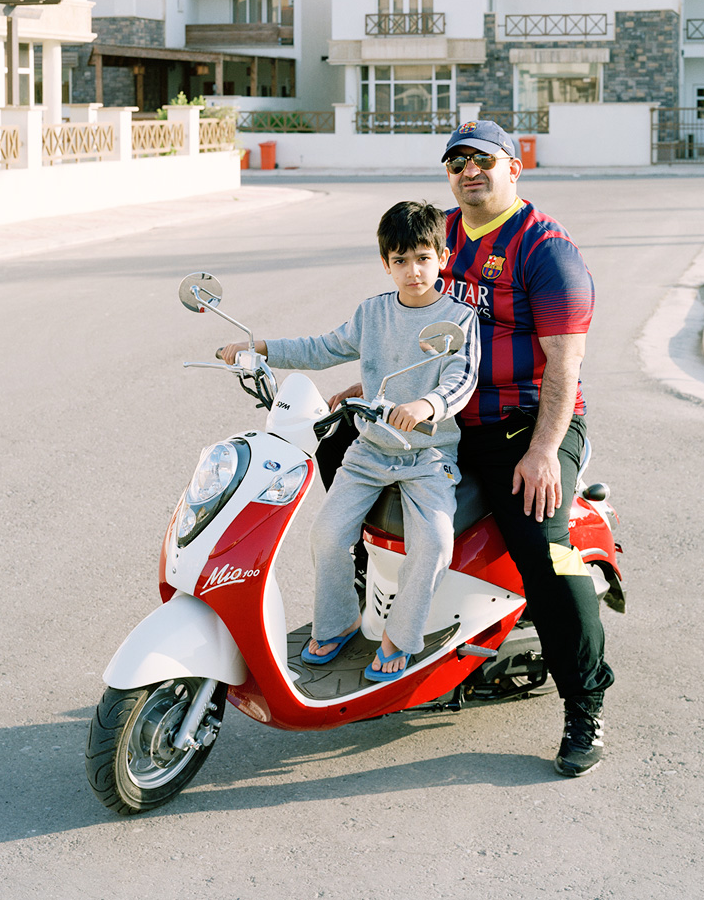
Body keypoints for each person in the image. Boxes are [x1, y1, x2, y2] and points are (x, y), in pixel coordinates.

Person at [218, 200, 479, 681]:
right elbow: (324, 347)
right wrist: (261, 349)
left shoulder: (459, 318)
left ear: (442, 257)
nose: (413, 270)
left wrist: (427, 407)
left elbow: (461, 379)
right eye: (400, 260)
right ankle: (339, 622)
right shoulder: (373, 313)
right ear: (386, 264)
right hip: (370, 451)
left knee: (435, 543)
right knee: (327, 535)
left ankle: (401, 636)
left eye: (423, 258)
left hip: (428, 455)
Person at [438, 118, 614, 776]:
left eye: (482, 159)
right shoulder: (443, 233)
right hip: (454, 418)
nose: (468, 171)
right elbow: (408, 314)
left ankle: (586, 704)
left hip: (531, 425)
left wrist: (544, 452)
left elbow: (564, 368)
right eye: (456, 162)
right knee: (355, 478)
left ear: (515, 167)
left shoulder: (547, 253)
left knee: (552, 557)